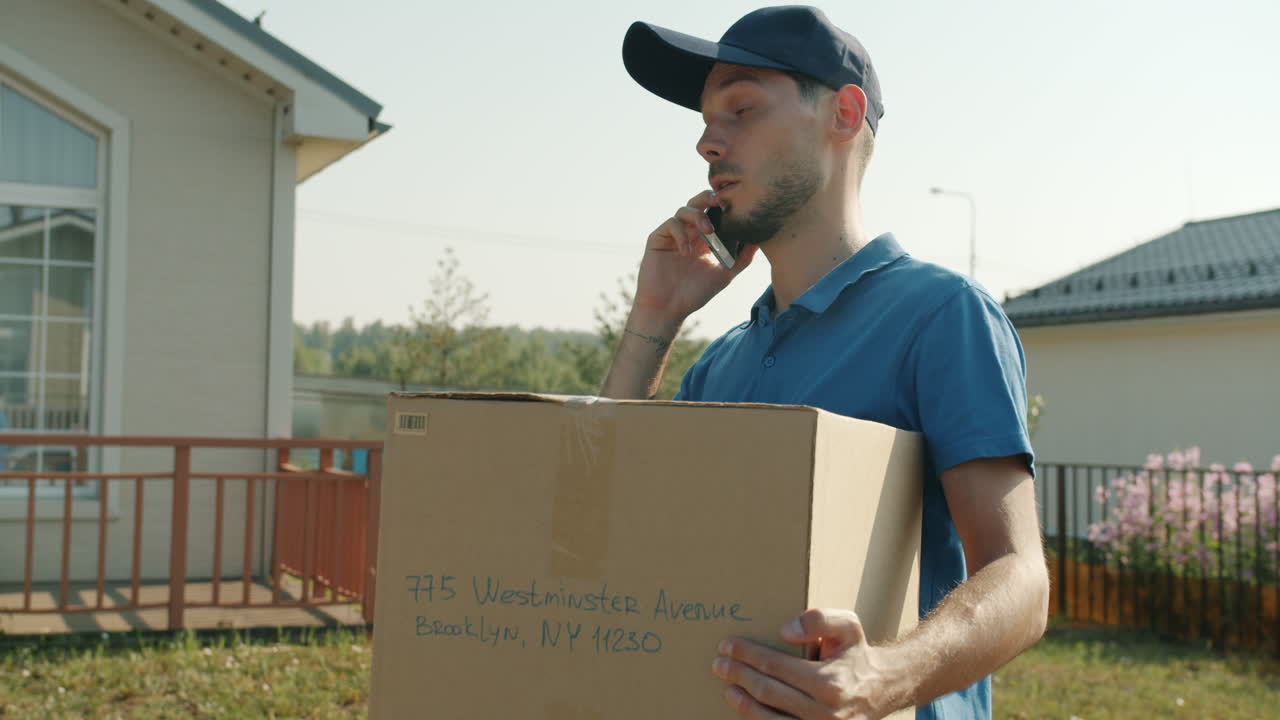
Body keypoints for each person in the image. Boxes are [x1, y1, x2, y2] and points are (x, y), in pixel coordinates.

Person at [603, 6, 1048, 719]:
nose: (706, 142)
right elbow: (604, 526)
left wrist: (883, 678)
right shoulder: (720, 365)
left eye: (740, 108)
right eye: (706, 118)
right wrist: (654, 321)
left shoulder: (942, 317)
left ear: (844, 114)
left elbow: (1021, 579)